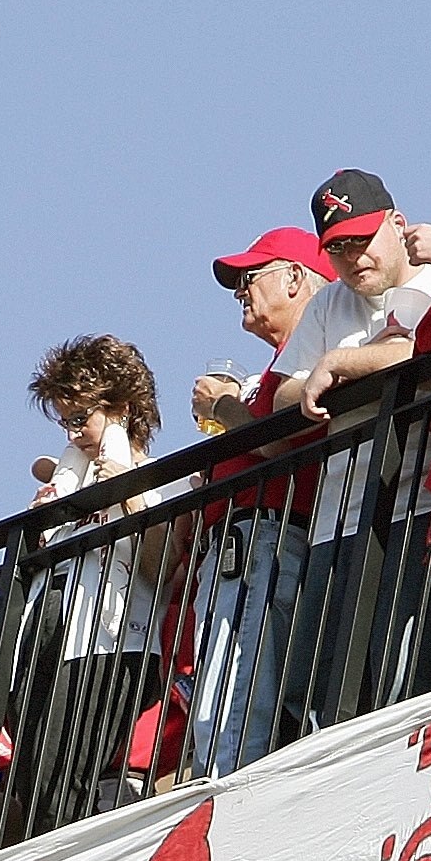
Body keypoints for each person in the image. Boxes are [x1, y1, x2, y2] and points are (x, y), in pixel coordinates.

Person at [272, 172, 431, 719]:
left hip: (419, 506)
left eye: (362, 240)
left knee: (401, 678)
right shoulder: (330, 303)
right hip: (337, 518)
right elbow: (283, 395)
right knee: (312, 690)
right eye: (337, 248)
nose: (353, 258)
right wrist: (334, 372)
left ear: (397, 225)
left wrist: (337, 365)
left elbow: (423, 351)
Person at [189, 229, 335, 775]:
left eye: (250, 278)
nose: (240, 293)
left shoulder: (310, 361)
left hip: (267, 542)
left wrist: (227, 408)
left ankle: (225, 809)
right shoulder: (275, 370)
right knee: (226, 701)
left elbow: (279, 438)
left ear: (296, 278)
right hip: (244, 547)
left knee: (237, 708)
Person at [16, 338, 170, 832]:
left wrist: (128, 491)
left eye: (82, 417)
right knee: (29, 779)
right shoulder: (68, 481)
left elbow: (160, 568)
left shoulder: (155, 477)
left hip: (110, 641)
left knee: (65, 779)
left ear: (121, 409)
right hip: (49, 633)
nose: (75, 433)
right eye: (66, 421)